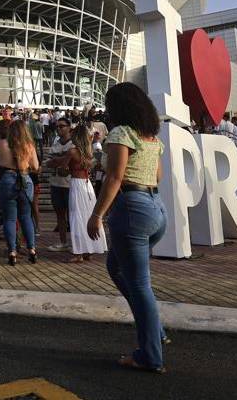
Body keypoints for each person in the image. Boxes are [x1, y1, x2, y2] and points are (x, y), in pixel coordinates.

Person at [87, 82, 168, 374]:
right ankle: (154, 331)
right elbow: (157, 174)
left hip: (132, 208)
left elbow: (114, 178)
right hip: (156, 207)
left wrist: (96, 214)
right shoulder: (152, 138)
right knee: (117, 268)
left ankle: (150, 355)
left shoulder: (121, 133)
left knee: (139, 285)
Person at [52, 125, 106, 262]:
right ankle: (89, 250)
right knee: (88, 215)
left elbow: (63, 170)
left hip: (76, 184)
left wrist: (59, 166)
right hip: (87, 185)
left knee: (76, 216)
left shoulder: (72, 152)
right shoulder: (89, 152)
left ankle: (78, 253)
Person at [0, 120, 39, 266]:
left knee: (10, 219)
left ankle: (12, 252)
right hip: (25, 179)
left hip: (7, 179)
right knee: (26, 217)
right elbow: (36, 166)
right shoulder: (29, 146)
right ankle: (32, 249)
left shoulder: (0, 144)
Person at [46, 118, 73, 252]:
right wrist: (63, 159)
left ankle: (75, 242)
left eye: (62, 126)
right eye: (57, 127)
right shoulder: (55, 143)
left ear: (69, 127)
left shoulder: (74, 144)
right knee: (60, 215)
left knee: (73, 215)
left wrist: (59, 160)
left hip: (70, 185)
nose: (59, 129)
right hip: (56, 183)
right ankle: (63, 242)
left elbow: (73, 159)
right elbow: (49, 162)